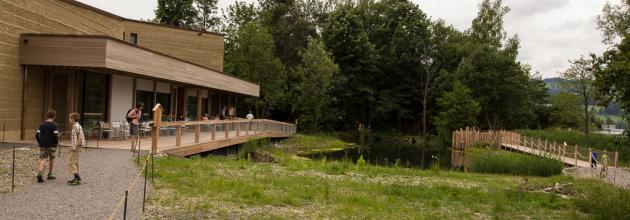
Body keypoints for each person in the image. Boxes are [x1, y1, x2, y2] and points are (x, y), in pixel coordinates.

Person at [36, 109, 60, 182]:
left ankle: (40, 173)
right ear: (54, 116)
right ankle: (50, 174)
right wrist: (56, 142)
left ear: (47, 116)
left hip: (43, 144)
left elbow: (37, 134)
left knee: (43, 159)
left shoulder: (41, 124)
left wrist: (40, 142)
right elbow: (55, 135)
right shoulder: (55, 125)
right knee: (51, 159)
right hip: (52, 145)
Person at [67, 113, 85, 185]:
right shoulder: (76, 126)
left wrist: (75, 146)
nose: (69, 120)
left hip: (77, 147)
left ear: (73, 119)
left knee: (71, 162)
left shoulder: (76, 126)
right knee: (75, 162)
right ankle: (76, 178)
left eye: (69, 118)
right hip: (76, 146)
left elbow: (80, 136)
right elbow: (75, 138)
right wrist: (72, 146)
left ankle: (77, 178)